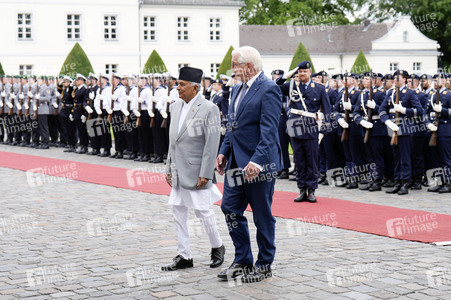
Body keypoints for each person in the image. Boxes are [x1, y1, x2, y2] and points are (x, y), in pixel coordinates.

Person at [216, 46, 282, 283]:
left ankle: (264, 264)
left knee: (262, 216)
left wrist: (257, 161)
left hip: (258, 166)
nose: (232, 69)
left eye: (235, 64)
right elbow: (231, 124)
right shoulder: (236, 88)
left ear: (250, 67)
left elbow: (269, 132)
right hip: (235, 162)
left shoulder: (269, 89)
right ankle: (243, 260)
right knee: (230, 209)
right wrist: (223, 151)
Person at [163, 66, 225, 271]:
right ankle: (184, 255)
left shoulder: (209, 108)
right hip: (178, 170)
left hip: (197, 171)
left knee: (203, 211)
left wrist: (206, 173)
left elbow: (211, 144)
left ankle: (217, 246)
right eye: (177, 84)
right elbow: (173, 142)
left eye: (182, 85)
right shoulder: (175, 107)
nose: (177, 88)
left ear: (195, 87)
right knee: (178, 211)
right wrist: (169, 169)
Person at [277, 62, 331, 202]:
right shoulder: (291, 86)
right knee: (299, 160)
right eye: (299, 72)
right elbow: (275, 86)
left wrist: (323, 131)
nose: (302, 74)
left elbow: (327, 111)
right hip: (295, 126)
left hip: (311, 128)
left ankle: (312, 190)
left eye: (304, 72)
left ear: (310, 72)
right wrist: (287, 75)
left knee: (311, 160)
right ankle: (302, 189)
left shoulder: (319, 88)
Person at [378, 70, 423, 195]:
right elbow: (382, 109)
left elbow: (419, 110)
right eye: (395, 77)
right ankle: (397, 181)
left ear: (404, 79)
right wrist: (387, 122)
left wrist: (404, 110)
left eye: (399, 77)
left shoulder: (409, 93)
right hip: (392, 128)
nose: (396, 79)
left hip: (405, 129)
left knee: (405, 158)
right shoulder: (390, 93)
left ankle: (405, 183)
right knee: (396, 157)